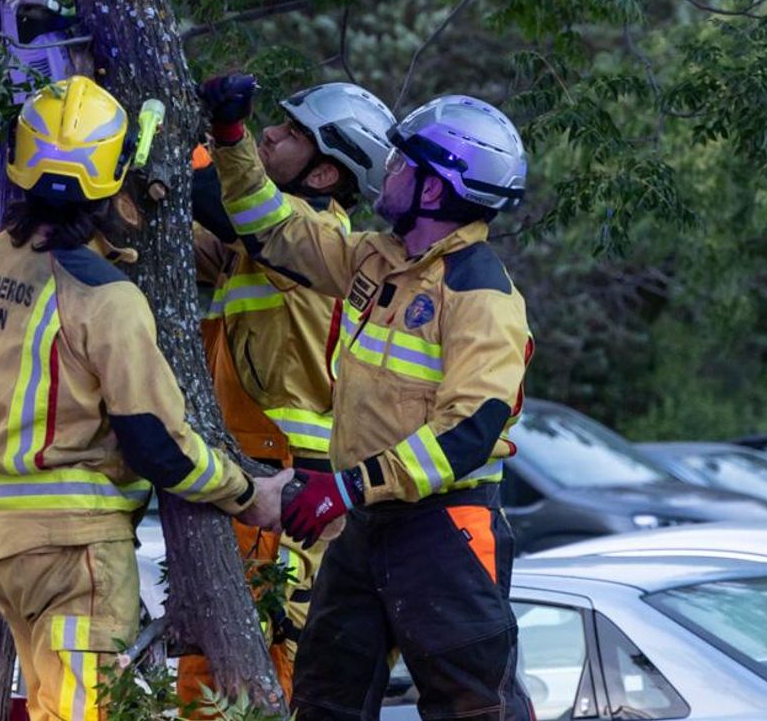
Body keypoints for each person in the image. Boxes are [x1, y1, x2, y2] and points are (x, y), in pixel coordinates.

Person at [0, 75, 293, 721]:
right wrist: (250, 492)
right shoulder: (109, 300)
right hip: (79, 550)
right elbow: (159, 444)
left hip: (2, 547)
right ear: (111, 182)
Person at [202, 74, 535, 720]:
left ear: (435, 186)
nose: (387, 173)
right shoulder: (374, 260)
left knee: (473, 708)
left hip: (447, 531)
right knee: (325, 701)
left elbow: (467, 434)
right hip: (367, 528)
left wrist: (348, 487)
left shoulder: (481, 296)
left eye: (402, 163)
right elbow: (268, 228)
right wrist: (231, 137)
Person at [178, 82, 395, 707]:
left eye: (293, 134)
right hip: (247, 480)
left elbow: (211, 198)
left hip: (285, 494)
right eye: (277, 125)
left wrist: (211, 139)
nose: (271, 134)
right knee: (214, 673)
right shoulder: (258, 244)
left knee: (260, 677)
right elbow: (168, 237)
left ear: (325, 173)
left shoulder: (307, 233)